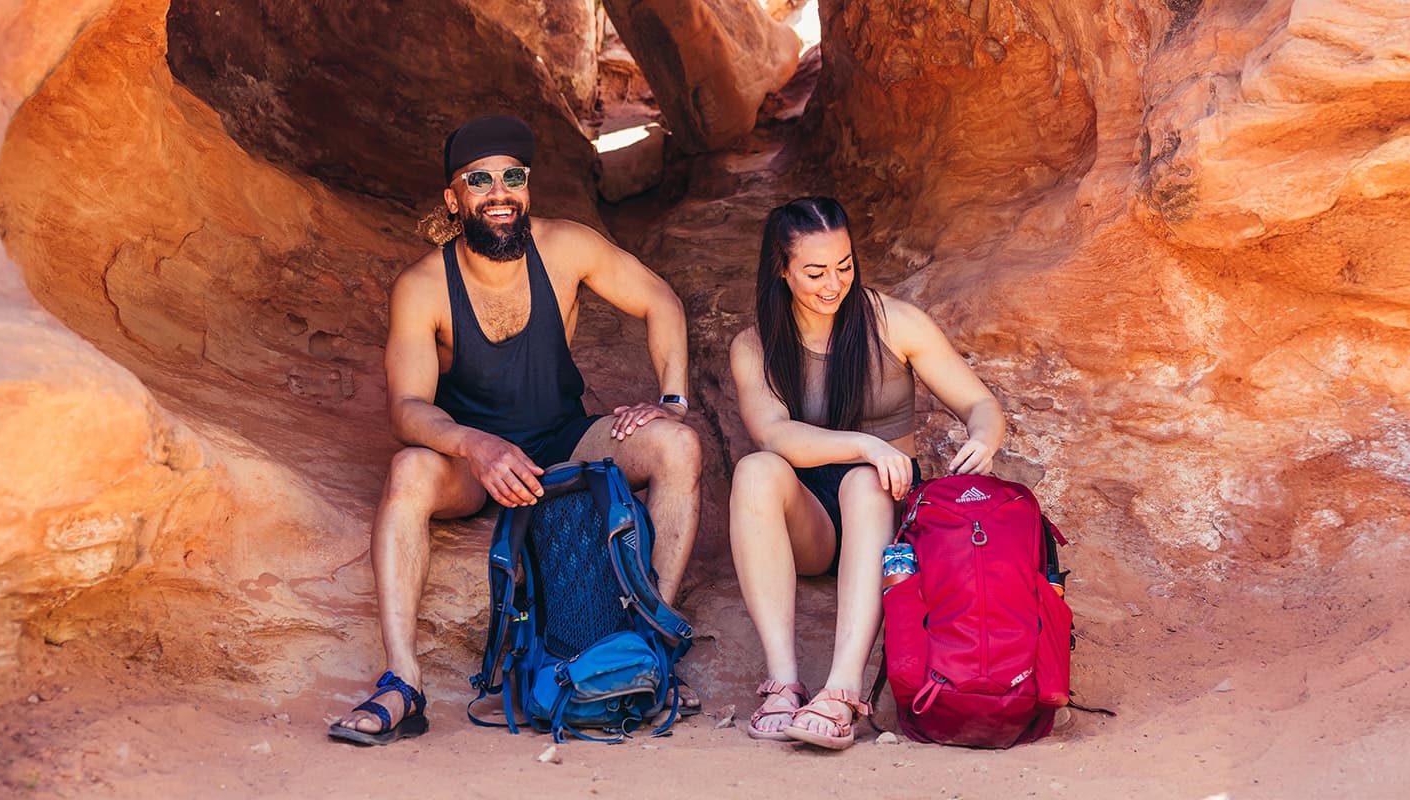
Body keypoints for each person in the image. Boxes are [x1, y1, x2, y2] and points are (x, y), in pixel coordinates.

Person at [328, 116, 702, 746]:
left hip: (564, 441)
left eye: (512, 177)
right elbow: (407, 407)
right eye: (480, 180)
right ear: (454, 200)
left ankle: (650, 647)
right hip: (475, 462)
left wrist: (672, 399)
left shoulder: (567, 248)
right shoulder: (423, 287)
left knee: (677, 446)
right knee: (408, 472)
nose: (499, 192)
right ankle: (402, 683)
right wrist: (474, 444)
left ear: (527, 188)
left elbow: (659, 299)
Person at [728, 197, 1005, 750]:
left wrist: (983, 438)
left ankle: (841, 692)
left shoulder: (893, 322)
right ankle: (783, 684)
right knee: (756, 469)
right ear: (781, 270)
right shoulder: (755, 345)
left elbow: (980, 404)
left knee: (864, 479)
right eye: (814, 272)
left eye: (845, 265)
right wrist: (861, 443)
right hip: (813, 523)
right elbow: (773, 435)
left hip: (887, 507)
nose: (834, 283)